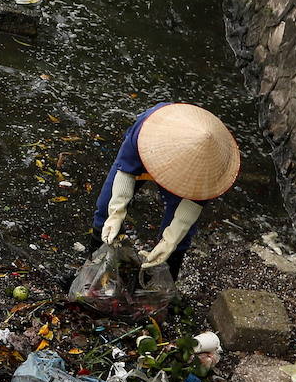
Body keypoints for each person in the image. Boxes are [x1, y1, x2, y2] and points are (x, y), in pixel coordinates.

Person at [91, 102, 240, 278]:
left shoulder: (212, 165)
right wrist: (116, 213)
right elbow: (125, 171)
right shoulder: (145, 131)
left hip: (194, 171)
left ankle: (163, 288)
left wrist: (170, 241)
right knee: (105, 208)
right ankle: (94, 272)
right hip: (151, 150)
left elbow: (192, 205)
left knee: (179, 239)